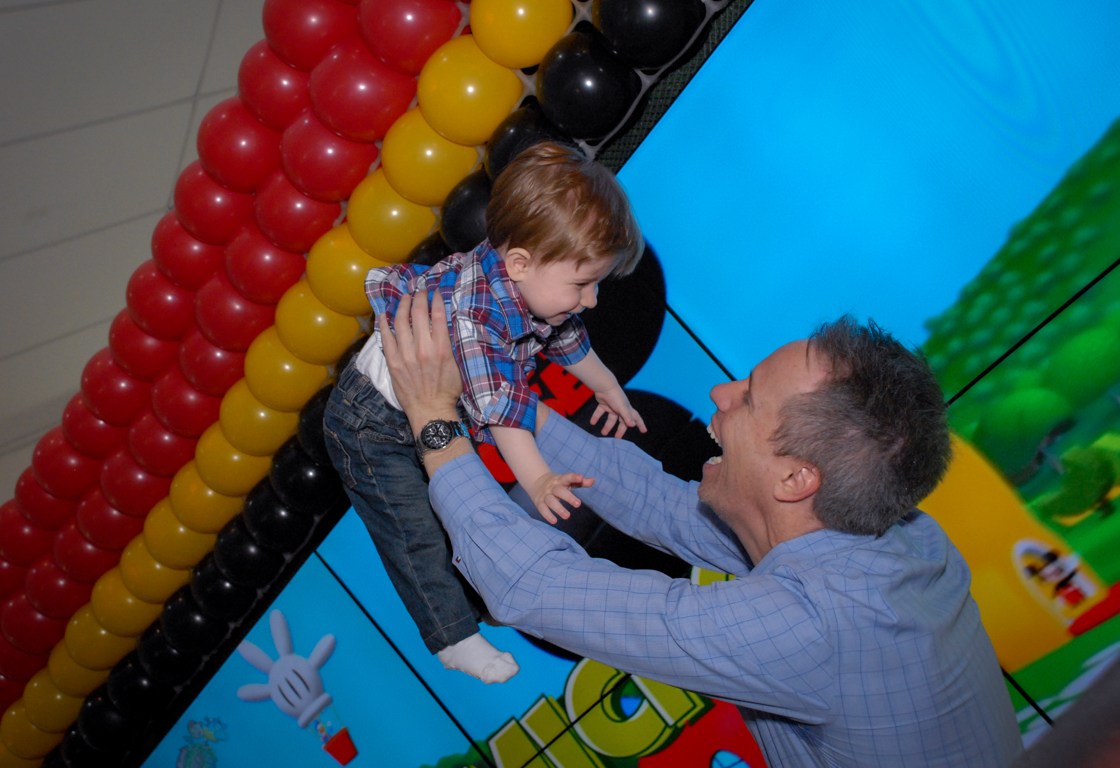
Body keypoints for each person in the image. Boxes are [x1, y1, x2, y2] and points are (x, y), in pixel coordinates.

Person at [377, 289, 1024, 767]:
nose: (719, 392)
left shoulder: (813, 624)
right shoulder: (884, 530)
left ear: (796, 479)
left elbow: (534, 587)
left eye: (748, 398)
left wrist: (433, 417)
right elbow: (658, 503)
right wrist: (501, 398)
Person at [323, 143, 646, 684]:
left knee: (463, 514)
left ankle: (480, 601)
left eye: (597, 284)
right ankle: (452, 638)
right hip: (370, 424)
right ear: (519, 263)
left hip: (425, 411)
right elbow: (499, 408)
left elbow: (567, 337)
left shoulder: (527, 286)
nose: (591, 300)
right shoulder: (477, 316)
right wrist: (538, 479)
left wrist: (607, 385)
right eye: (582, 283)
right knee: (412, 531)